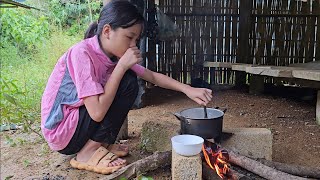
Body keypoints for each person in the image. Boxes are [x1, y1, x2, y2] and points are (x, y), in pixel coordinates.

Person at [41, 1, 212, 175]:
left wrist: (187, 89)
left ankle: (100, 144)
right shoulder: (82, 53)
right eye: (129, 37)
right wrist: (122, 67)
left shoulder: (114, 55)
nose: (133, 45)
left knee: (128, 80)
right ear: (107, 31)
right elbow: (97, 113)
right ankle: (87, 152)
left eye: (136, 40)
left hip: (79, 124)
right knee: (127, 80)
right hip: (62, 133)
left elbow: (151, 76)